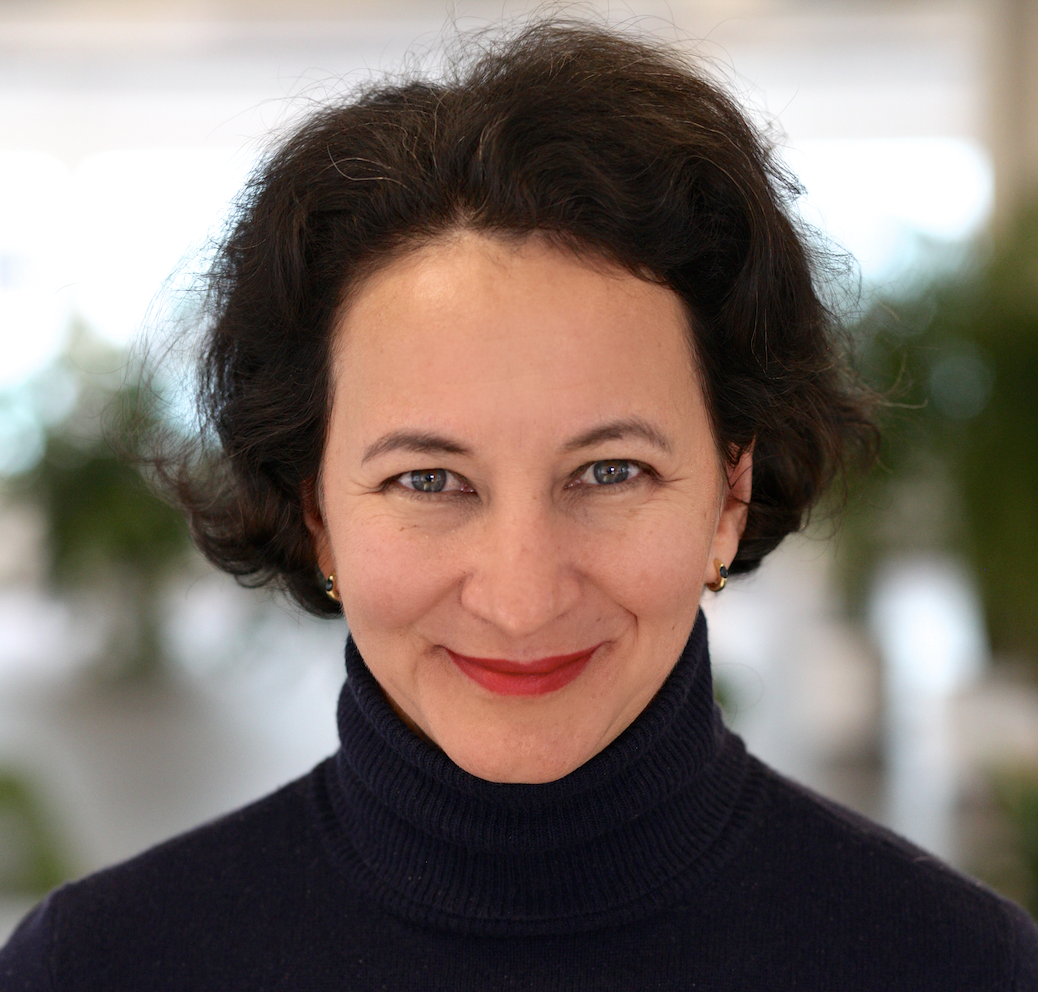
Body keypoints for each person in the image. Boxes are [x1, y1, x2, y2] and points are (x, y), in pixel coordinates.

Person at [2, 19, 1036, 991]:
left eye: (608, 471)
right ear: (313, 507)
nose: (522, 594)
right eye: (429, 480)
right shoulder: (101, 965)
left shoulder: (958, 964)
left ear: (730, 491)